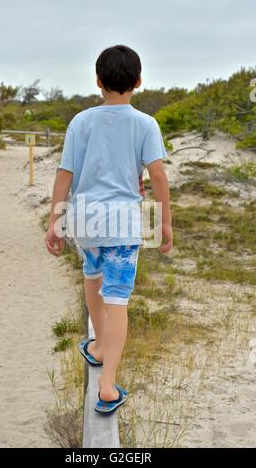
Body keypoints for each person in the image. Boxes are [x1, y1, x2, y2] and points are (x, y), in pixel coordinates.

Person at [46, 44, 173, 414]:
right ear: (138, 82)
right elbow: (158, 176)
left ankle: (99, 346)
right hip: (123, 222)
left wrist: (55, 221)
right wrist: (164, 221)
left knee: (91, 276)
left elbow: (65, 174)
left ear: (98, 81)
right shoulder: (146, 124)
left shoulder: (80, 122)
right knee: (117, 297)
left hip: (85, 219)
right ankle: (107, 384)